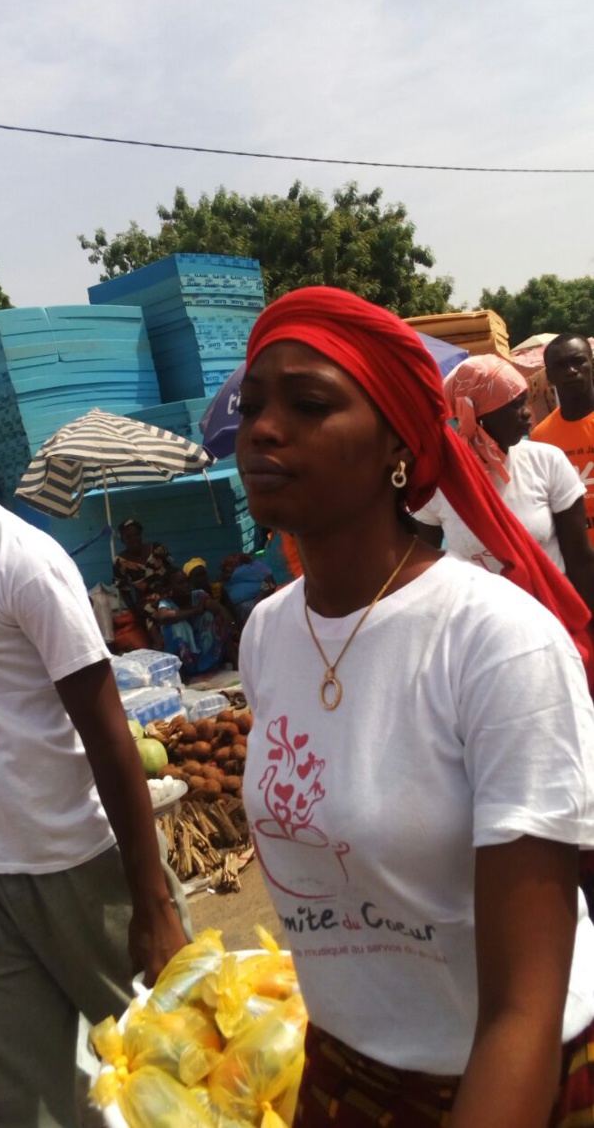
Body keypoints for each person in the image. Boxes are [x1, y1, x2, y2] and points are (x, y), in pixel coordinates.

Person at [236, 286, 594, 1128]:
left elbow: (521, 1012)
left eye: (309, 404)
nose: (262, 428)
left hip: (512, 1083)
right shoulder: (264, 636)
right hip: (343, 1070)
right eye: (252, 404)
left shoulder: (496, 641)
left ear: (400, 440)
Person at [0, 324, 190, 1128]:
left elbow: (109, 729)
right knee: (19, 1098)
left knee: (172, 1070)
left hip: (81, 861)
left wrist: (151, 904)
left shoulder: (22, 560)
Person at [414, 354, 594, 612]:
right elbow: (428, 573)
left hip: (553, 619)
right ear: (474, 415)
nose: (527, 414)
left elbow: (581, 561)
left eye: (525, 401)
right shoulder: (440, 484)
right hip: (482, 632)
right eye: (514, 405)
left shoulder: (547, 462)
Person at [531, 334, 594, 545]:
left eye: (578, 361)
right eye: (561, 366)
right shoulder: (541, 437)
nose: (571, 370)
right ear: (549, 376)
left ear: (591, 363)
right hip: (578, 557)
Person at [154, 568, 238, 678]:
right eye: (181, 583)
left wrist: (232, 625)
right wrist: (196, 610)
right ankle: (181, 673)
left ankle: (235, 664)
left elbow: (216, 607)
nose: (186, 585)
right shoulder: (166, 603)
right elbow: (163, 616)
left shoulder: (199, 595)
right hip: (185, 658)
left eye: (187, 581)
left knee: (213, 617)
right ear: (170, 588)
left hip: (203, 649)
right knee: (175, 626)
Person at [112, 518, 174, 648]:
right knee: (152, 614)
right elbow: (124, 591)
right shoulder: (120, 562)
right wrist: (135, 613)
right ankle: (161, 646)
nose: (134, 539)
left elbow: (172, 570)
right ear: (123, 540)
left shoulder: (157, 549)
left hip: (168, 592)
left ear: (141, 534)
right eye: (128, 537)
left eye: (136, 534)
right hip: (145, 600)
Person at [220, 551, 276, 623]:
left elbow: (270, 580)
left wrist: (261, 596)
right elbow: (270, 580)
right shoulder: (228, 583)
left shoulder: (249, 568)